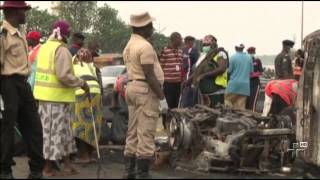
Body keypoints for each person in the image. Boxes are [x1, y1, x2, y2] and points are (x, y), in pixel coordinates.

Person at [33, 20, 89, 177]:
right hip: (56, 100)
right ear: (65, 34)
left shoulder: (44, 48)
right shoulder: (61, 50)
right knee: (55, 135)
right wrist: (81, 83)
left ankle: (66, 165)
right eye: (69, 33)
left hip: (45, 98)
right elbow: (64, 75)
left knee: (61, 133)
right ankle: (48, 168)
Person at [0, 1, 45, 179]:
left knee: (34, 126)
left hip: (22, 84)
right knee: (7, 129)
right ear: (13, 12)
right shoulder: (3, 35)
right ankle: (5, 170)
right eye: (23, 10)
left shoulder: (19, 33)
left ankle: (36, 170)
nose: (25, 13)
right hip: (7, 84)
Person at [122, 11, 167, 179]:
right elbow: (149, 74)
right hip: (145, 91)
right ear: (144, 27)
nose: (153, 28)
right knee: (146, 134)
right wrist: (162, 98)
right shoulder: (145, 46)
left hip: (132, 88)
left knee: (132, 132)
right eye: (150, 26)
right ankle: (142, 175)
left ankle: (129, 173)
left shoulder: (129, 45)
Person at [72, 48, 103, 165]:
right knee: (93, 124)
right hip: (96, 92)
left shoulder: (73, 62)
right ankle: (89, 155)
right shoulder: (92, 66)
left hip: (81, 92)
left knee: (80, 125)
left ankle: (84, 156)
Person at [185, 35, 228, 107]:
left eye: (207, 44)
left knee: (215, 114)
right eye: (204, 44)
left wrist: (204, 75)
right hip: (201, 93)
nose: (205, 46)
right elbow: (198, 70)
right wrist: (188, 80)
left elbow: (222, 69)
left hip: (215, 93)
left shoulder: (220, 53)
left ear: (214, 44)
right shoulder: (203, 55)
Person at [225, 43, 253, 110]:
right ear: (243, 48)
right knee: (240, 108)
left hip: (233, 85)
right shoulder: (249, 58)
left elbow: (228, 71)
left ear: (235, 47)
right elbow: (251, 72)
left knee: (227, 102)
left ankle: (229, 118)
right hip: (245, 86)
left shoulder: (232, 57)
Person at [160, 32, 183, 109]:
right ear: (174, 40)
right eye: (180, 39)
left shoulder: (180, 52)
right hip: (168, 84)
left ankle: (173, 121)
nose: (181, 41)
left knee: (176, 105)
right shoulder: (165, 51)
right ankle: (166, 120)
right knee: (168, 105)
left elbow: (180, 66)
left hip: (178, 83)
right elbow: (161, 67)